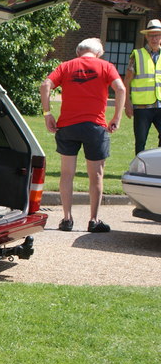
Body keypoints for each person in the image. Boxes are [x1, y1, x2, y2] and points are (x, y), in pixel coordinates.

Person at [39, 37, 125, 233]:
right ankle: (94, 220)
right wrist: (116, 118)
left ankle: (67, 219)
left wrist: (47, 114)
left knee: (66, 173)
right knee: (95, 175)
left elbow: (45, 85)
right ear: (98, 53)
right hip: (95, 126)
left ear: (78, 52)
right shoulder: (106, 66)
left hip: (68, 126)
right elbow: (120, 88)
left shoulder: (66, 66)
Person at [124, 19, 161, 154]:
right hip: (142, 107)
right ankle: (138, 169)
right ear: (146, 37)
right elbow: (127, 80)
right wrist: (127, 103)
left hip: (160, 105)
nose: (154, 38)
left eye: (157, 35)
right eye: (151, 35)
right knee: (140, 141)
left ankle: (156, 166)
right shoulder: (137, 55)